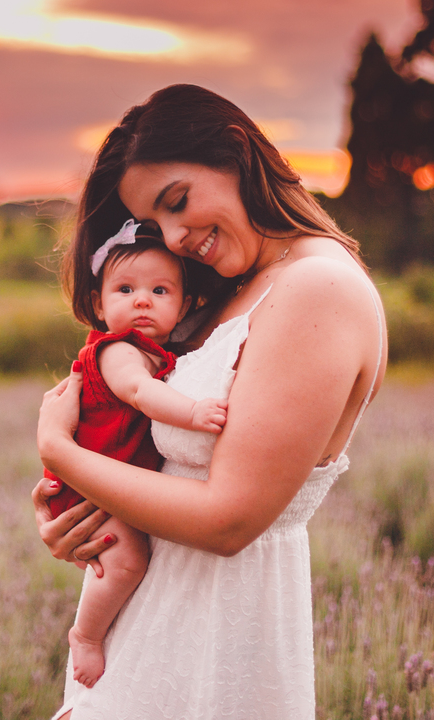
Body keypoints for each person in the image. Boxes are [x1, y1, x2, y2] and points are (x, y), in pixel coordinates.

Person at [35, 84, 386, 720]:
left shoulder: (319, 288)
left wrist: (59, 450)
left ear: (235, 152)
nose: (173, 236)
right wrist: (77, 523)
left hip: (218, 639)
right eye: (157, 221)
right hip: (146, 626)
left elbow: (228, 520)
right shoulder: (240, 286)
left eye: (178, 201)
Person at [45, 220, 229, 688]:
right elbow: (141, 392)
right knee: (128, 562)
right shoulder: (117, 352)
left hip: (109, 481)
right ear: (98, 304)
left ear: (185, 306)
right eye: (125, 289)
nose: (142, 300)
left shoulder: (156, 349)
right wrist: (194, 412)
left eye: (160, 290)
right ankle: (85, 635)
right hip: (89, 489)